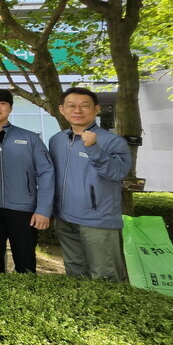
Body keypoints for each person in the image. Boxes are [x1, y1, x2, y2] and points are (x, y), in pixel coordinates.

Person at [50, 87, 131, 281]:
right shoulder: (56, 140)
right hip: (64, 217)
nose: (77, 110)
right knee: (75, 272)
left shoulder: (112, 141)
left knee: (105, 275)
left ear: (96, 109)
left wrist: (93, 148)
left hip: (98, 219)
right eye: (71, 106)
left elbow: (117, 173)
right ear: (61, 110)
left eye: (84, 106)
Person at [0, 89, 53, 273]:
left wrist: (43, 210)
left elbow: (46, 173)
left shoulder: (30, 138)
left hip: (23, 208)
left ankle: (27, 298)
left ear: (10, 107)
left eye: (2, 103)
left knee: (25, 262)